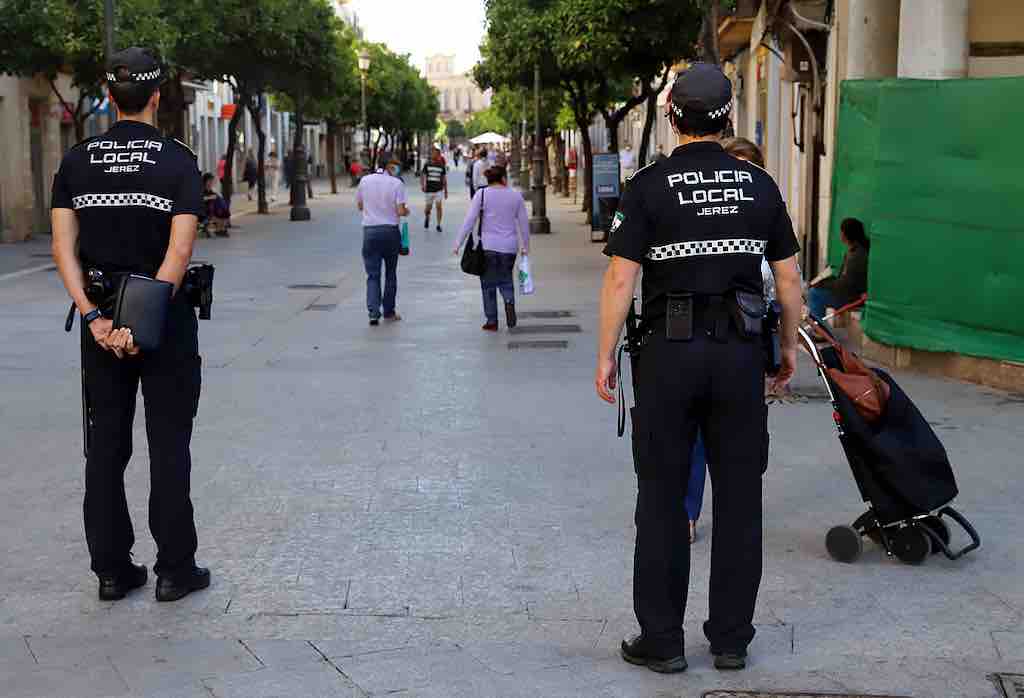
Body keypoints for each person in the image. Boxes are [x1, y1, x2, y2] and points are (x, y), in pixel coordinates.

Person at [595, 63, 802, 674]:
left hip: (668, 356)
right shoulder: (759, 185)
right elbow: (788, 278)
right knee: (740, 498)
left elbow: (621, 276)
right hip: (739, 355)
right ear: (727, 116)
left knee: (661, 496)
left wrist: (605, 352)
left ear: (671, 117)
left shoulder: (649, 185)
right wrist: (787, 348)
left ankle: (662, 640)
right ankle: (731, 639)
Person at [50, 46, 211, 603]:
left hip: (98, 324)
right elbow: (179, 252)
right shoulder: (178, 161)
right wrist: (140, 326)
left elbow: (62, 249)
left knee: (105, 447)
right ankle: (174, 570)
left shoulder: (76, 162)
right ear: (157, 96)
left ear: (109, 96)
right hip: (163, 322)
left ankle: (112, 570)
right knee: (168, 443)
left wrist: (96, 319)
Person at [454, 165, 530, 331]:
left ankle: (492, 321)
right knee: (506, 280)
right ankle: (509, 302)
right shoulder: (515, 195)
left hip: (488, 247)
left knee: (488, 284)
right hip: (509, 247)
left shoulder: (481, 194)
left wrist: (458, 242)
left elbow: (470, 220)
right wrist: (525, 246)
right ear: (503, 178)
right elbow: (524, 223)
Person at [356, 160, 409, 326]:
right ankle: (389, 312)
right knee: (390, 273)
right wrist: (406, 211)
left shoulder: (364, 181)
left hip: (370, 232)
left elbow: (360, 205)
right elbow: (400, 210)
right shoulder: (397, 183)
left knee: (373, 275)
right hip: (390, 232)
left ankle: (373, 313)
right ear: (389, 167)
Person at [806, 217, 870, 320]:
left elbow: (845, 284)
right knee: (816, 290)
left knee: (814, 294)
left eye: (841, 232)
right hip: (851, 293)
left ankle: (819, 326)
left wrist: (822, 284)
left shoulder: (856, 256)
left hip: (852, 297)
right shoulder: (856, 252)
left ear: (846, 235)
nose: (840, 235)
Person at [421, 147, 448, 232]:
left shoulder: (441, 166)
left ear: (438, 155)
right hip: (429, 189)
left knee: (439, 206)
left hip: (438, 189)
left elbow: (444, 179)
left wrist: (446, 191)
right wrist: (423, 185)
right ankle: (427, 217)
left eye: (436, 154)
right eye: (433, 153)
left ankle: (438, 225)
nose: (434, 155)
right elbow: (423, 175)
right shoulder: (427, 164)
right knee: (428, 208)